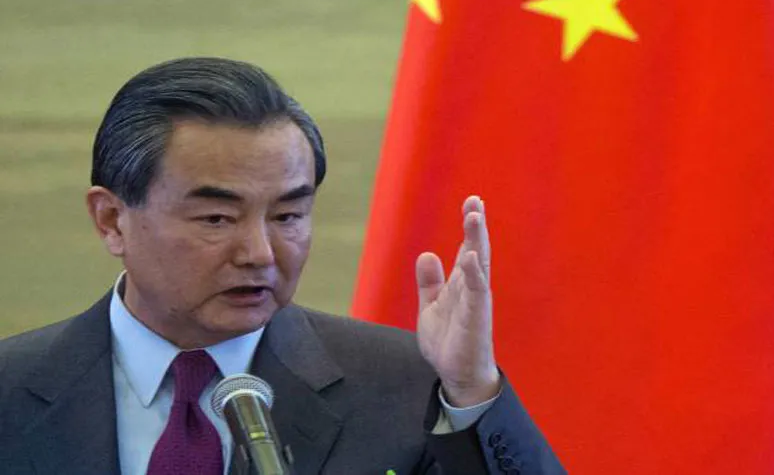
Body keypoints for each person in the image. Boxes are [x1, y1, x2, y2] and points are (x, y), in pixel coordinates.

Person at [0, 57, 563, 475]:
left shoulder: (409, 388)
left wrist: (471, 393)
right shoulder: (12, 389)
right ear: (111, 220)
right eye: (217, 218)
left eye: (288, 216)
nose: (260, 253)